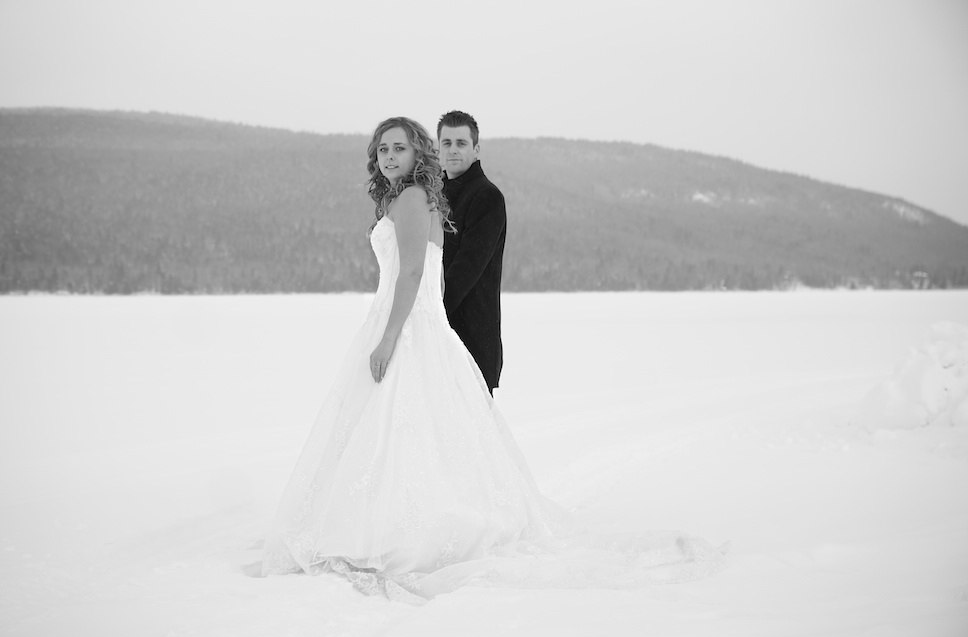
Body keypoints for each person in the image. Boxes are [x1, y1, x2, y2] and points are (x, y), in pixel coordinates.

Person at [257, 117, 724, 603]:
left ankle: (398, 532)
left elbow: (415, 270)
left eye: (400, 148)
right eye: (382, 150)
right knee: (410, 434)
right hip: (416, 321)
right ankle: (388, 521)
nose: (390, 156)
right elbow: (430, 276)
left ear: (421, 154)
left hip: (406, 325)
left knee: (403, 429)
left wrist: (393, 333)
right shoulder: (414, 197)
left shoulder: (416, 199)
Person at [437, 110, 506, 394]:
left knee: (471, 436)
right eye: (447, 143)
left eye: (461, 143)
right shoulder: (432, 195)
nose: (453, 150)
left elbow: (467, 269)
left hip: (471, 338)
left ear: (476, 149)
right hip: (437, 335)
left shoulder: (487, 196)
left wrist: (431, 316)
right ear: (437, 148)